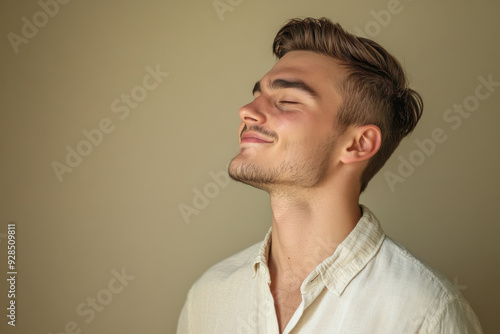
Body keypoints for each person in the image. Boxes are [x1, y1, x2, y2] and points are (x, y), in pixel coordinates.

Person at [176, 17, 482, 333]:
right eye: (257, 95)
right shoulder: (207, 297)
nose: (247, 110)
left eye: (287, 101)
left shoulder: (425, 313)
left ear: (359, 144)